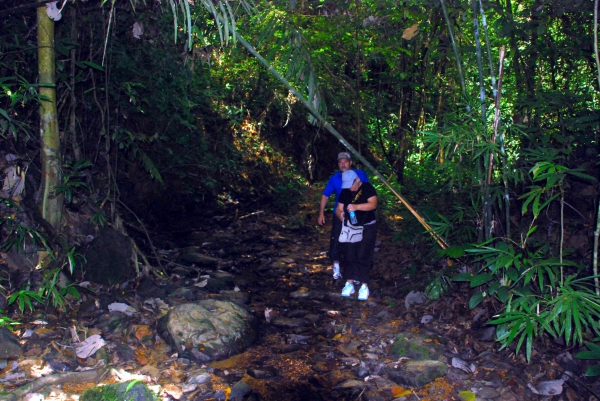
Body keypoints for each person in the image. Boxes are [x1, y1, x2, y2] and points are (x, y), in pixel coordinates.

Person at [318, 152, 369, 280]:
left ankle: (356, 271)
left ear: (350, 163)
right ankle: (336, 268)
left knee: (357, 240)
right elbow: (325, 195)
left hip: (357, 212)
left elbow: (368, 191)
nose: (343, 164)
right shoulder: (335, 179)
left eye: (345, 161)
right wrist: (321, 213)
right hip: (340, 212)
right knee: (337, 240)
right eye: (340, 162)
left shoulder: (360, 175)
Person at [335, 170, 377, 301]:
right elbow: (339, 208)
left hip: (367, 226)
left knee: (363, 254)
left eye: (352, 185)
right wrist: (340, 214)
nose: (350, 188)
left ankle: (364, 285)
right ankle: (350, 282)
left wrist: (356, 207)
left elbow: (373, 204)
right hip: (351, 228)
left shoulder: (367, 188)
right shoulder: (346, 191)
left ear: (357, 180)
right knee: (349, 254)